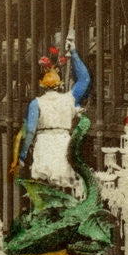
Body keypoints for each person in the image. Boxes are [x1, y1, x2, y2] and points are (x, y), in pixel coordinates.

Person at [10, 36, 91, 191]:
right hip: (63, 144)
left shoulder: (36, 103)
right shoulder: (69, 99)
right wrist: (73, 51)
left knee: (45, 188)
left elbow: (30, 130)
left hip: (45, 145)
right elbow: (84, 79)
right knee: (65, 187)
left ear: (42, 86)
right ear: (60, 85)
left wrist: (22, 155)